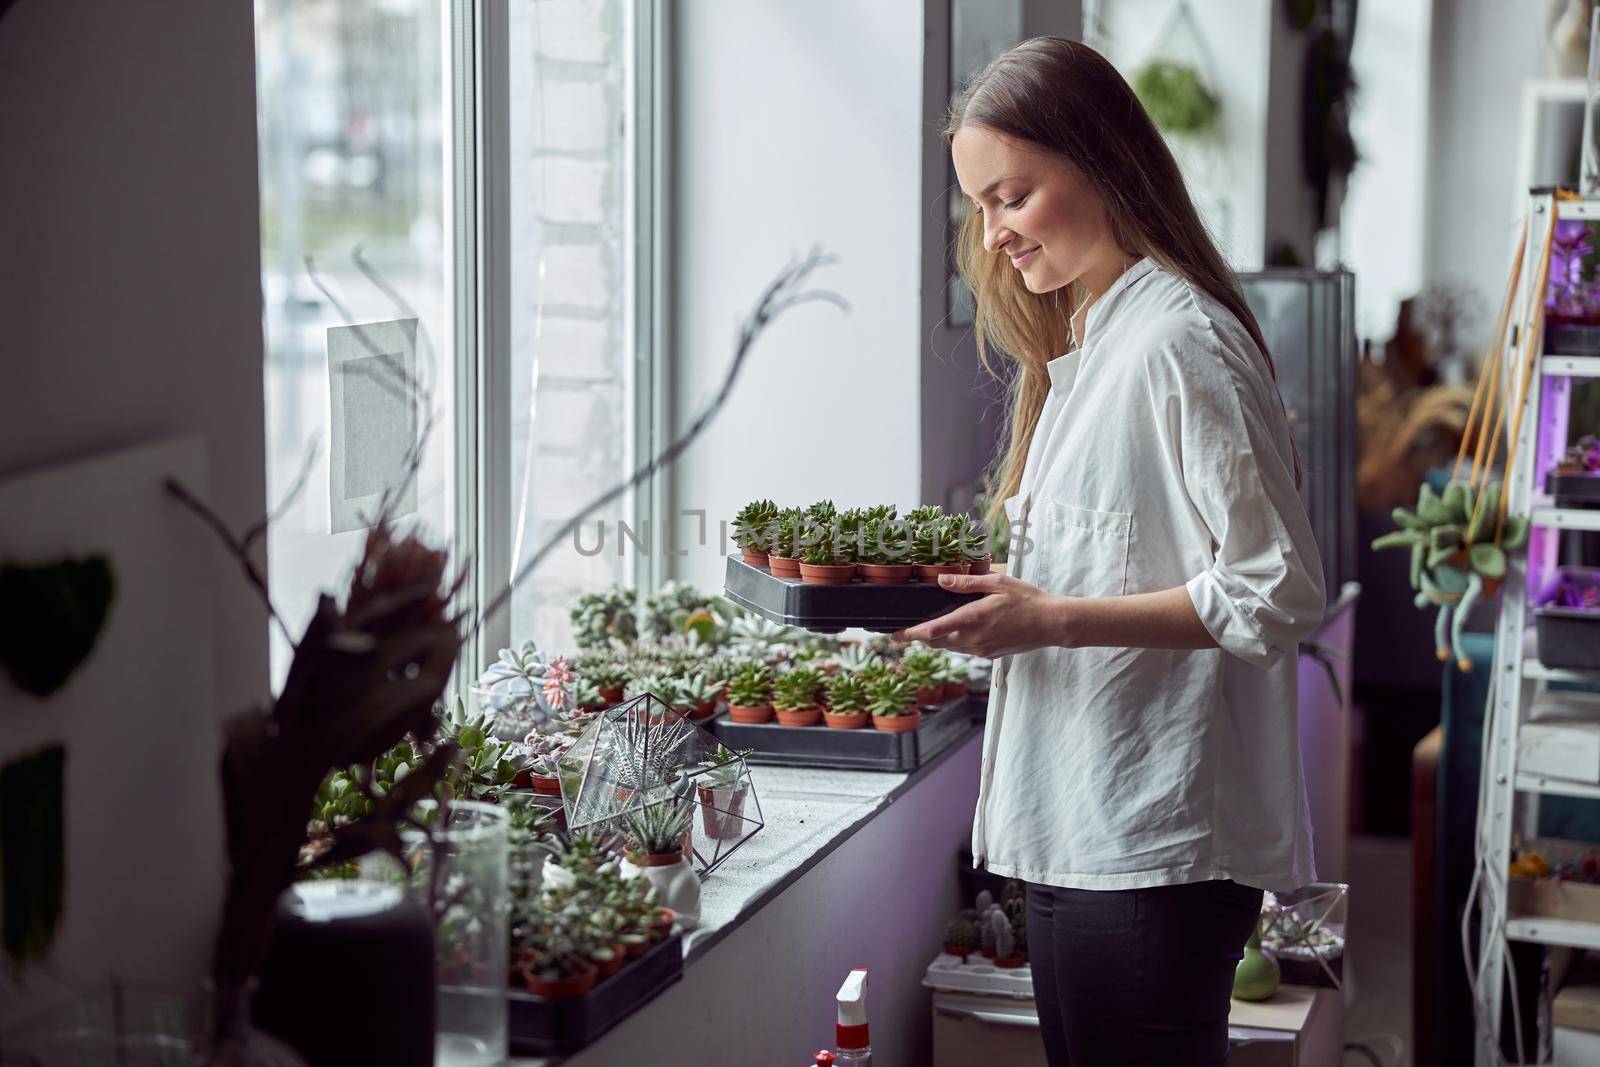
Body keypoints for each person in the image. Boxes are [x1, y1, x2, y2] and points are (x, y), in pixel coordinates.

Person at [894, 37, 1326, 1066]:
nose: (993, 234)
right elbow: (1123, 561)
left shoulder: (1178, 342)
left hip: (1152, 848)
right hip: (1089, 824)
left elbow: (1276, 590)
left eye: (1012, 196)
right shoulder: (1095, 341)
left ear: (1097, 159)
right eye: (981, 207)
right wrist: (1017, 604)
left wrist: (1048, 617)